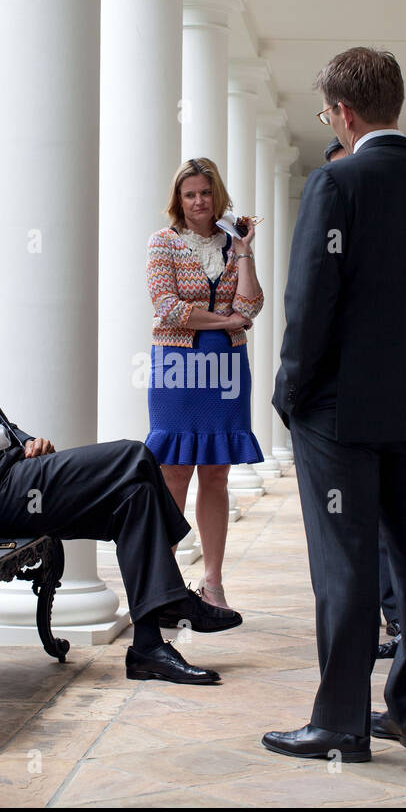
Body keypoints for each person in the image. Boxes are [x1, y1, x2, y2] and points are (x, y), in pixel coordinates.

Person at [262, 47, 406, 762]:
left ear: (344, 114)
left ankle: (340, 727)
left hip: (339, 411)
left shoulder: (337, 183)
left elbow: (309, 303)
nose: (331, 123)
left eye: (327, 114)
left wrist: (290, 390)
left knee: (345, 566)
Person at [0, 258, 242, 686]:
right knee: (134, 456)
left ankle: (149, 648)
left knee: (134, 499)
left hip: (11, 473)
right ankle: (171, 600)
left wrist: (24, 440)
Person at [145, 157, 263, 610]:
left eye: (206, 192)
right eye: (190, 193)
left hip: (228, 369)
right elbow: (168, 307)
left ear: (218, 196)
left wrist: (246, 248)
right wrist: (228, 320)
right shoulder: (162, 243)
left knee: (216, 472)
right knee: (174, 472)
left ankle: (213, 583)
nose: (199, 201)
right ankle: (165, 584)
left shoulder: (233, 246)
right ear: (179, 198)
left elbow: (252, 305)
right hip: (176, 365)